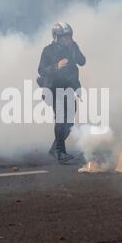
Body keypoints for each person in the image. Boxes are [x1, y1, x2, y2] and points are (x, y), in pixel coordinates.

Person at [38, 23, 86, 162]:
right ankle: (60, 152)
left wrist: (74, 50)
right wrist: (56, 67)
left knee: (69, 123)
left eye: (69, 36)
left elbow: (82, 62)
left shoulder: (73, 47)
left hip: (69, 88)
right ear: (57, 38)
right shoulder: (48, 50)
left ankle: (55, 149)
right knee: (60, 118)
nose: (68, 39)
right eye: (64, 37)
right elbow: (41, 70)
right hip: (54, 89)